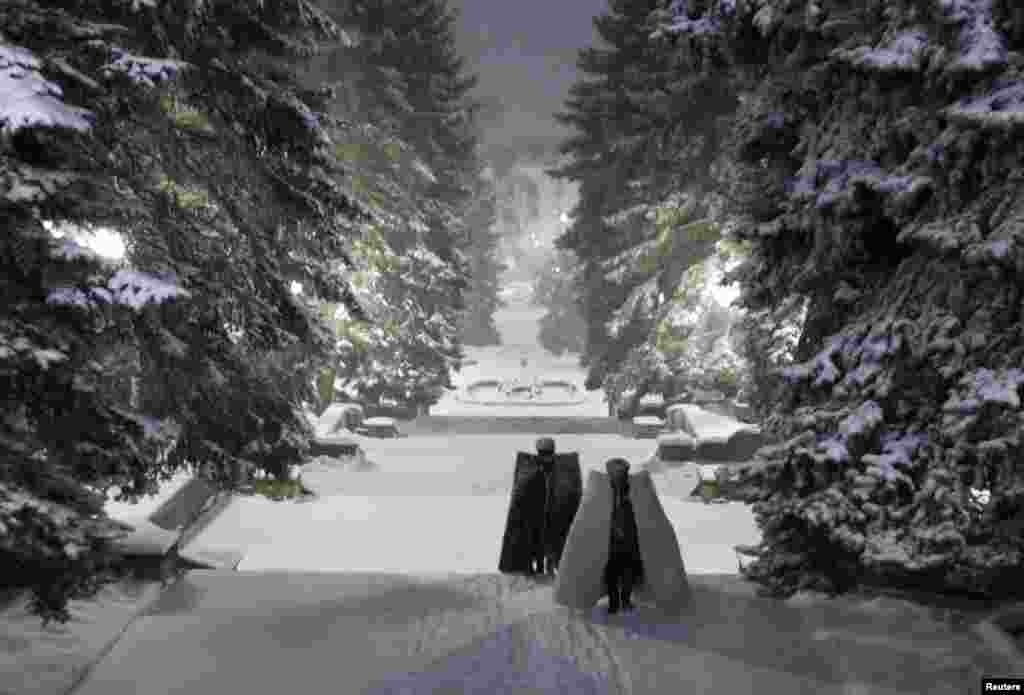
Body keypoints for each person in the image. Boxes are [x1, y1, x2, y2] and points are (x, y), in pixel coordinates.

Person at [604, 458, 643, 613]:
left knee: (616, 571)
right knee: (623, 570)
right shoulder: (628, 488)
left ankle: (617, 603)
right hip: (622, 537)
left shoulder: (608, 489)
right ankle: (622, 602)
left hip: (618, 538)